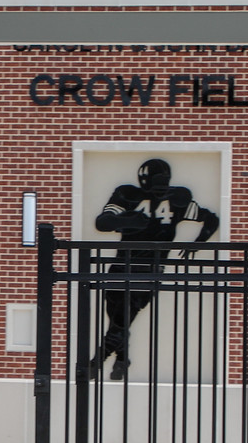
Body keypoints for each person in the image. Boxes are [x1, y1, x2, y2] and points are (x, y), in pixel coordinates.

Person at [87, 158, 220, 380]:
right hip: (121, 267)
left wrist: (198, 243)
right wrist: (124, 220)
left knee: (121, 320)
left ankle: (96, 362)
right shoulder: (129, 195)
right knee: (116, 318)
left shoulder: (177, 200)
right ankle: (122, 359)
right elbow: (103, 222)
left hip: (147, 271)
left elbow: (211, 219)